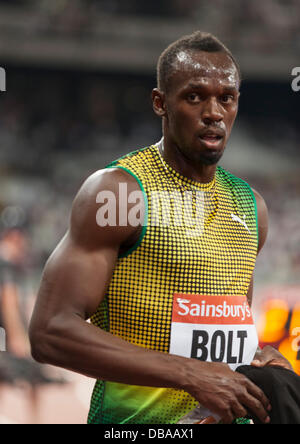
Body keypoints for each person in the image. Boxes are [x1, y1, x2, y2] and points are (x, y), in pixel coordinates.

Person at [29, 31, 293, 425]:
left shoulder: (252, 206)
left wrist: (259, 356)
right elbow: (50, 331)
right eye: (194, 96)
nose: (214, 112)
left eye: (227, 97)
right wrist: (190, 374)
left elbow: (222, 331)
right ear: (160, 103)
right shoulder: (119, 192)